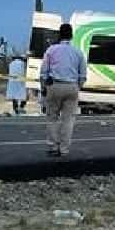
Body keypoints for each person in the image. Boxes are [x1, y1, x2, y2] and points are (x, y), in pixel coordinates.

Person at [39, 23, 86, 156]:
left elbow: (43, 72)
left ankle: (53, 146)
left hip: (54, 85)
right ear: (71, 36)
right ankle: (64, 149)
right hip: (71, 87)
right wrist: (77, 87)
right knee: (68, 119)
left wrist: (43, 87)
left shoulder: (51, 50)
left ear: (59, 35)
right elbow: (83, 75)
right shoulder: (78, 52)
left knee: (52, 118)